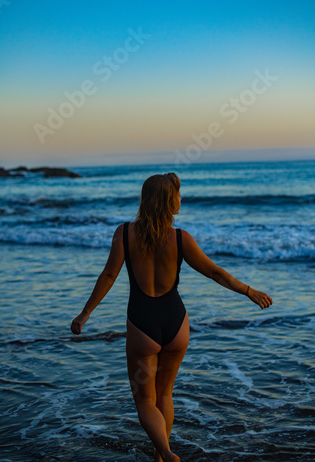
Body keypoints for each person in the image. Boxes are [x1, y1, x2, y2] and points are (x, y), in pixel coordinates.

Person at [71, 173, 273, 462]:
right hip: (176, 323)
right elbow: (216, 272)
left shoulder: (124, 233)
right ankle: (159, 454)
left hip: (143, 324)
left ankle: (166, 452)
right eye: (178, 195)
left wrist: (86, 312)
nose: (181, 199)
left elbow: (110, 275)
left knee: (144, 400)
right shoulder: (180, 239)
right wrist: (249, 291)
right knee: (165, 395)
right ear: (167, 201)